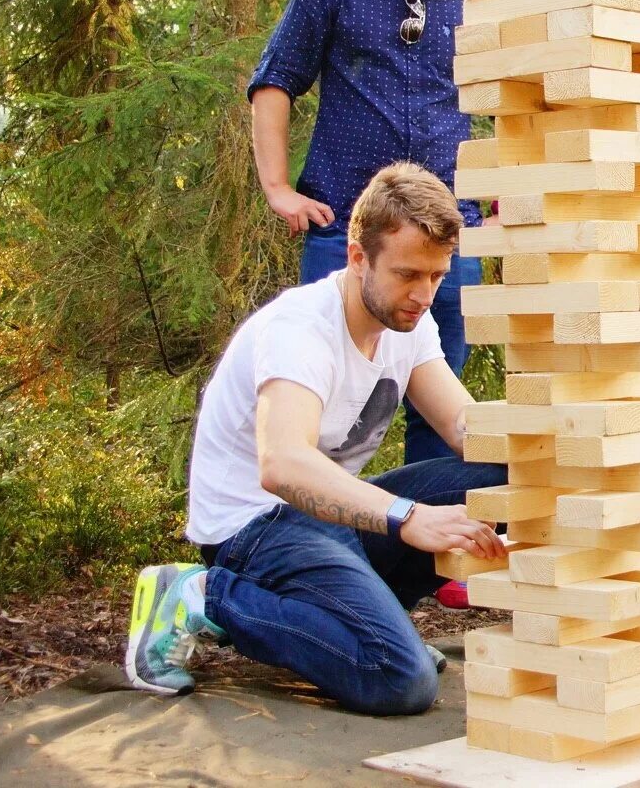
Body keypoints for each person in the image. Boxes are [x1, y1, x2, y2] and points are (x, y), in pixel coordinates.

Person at [123, 163, 508, 712]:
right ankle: (200, 597)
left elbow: (462, 426)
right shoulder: (301, 330)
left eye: (436, 276)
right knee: (401, 680)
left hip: (331, 518)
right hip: (256, 525)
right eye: (407, 275)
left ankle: (364, 626)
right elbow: (282, 464)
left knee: (507, 474)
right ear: (358, 256)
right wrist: (407, 516)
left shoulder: (411, 323)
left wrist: (551, 440)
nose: (424, 294)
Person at [248, 0, 491, 468]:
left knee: (443, 406)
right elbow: (275, 81)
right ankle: (309, 540)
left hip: (448, 237)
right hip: (345, 233)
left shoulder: (475, 5)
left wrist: (504, 185)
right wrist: (278, 187)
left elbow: (506, 102)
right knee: (320, 395)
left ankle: (434, 553)